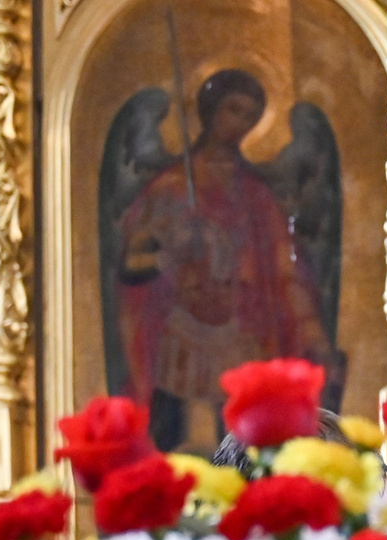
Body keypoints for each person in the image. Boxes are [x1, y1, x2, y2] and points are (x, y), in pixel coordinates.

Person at [115, 69, 335, 453]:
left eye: (250, 116)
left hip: (238, 328)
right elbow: (132, 262)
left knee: (241, 430)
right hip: (181, 330)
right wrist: (168, 258)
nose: (240, 123)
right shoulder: (169, 187)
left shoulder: (255, 195)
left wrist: (312, 331)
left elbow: (286, 270)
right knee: (173, 426)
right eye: (233, 110)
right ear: (210, 111)